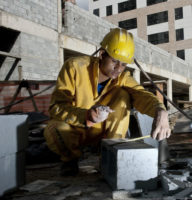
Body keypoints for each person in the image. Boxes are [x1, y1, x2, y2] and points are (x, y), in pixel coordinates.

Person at [44, 28, 171, 176]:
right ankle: (70, 160)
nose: (118, 68)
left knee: (124, 95)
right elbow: (56, 107)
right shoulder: (75, 67)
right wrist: (87, 116)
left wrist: (160, 110)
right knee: (54, 128)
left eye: (123, 64)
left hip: (104, 133)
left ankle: (109, 155)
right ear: (102, 54)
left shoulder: (122, 78)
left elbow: (141, 94)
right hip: (75, 128)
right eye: (115, 61)